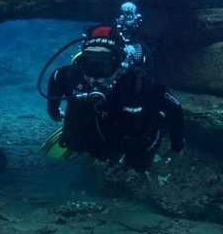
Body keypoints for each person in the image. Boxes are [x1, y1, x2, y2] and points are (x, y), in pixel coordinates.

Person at [43, 23, 184, 173]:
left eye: (105, 64)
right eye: (87, 63)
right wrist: (54, 111)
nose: (95, 74)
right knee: (75, 141)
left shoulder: (140, 85)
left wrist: (177, 146)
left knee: (139, 165)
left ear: (119, 64)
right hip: (97, 126)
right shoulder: (73, 75)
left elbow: (174, 106)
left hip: (128, 135)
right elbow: (56, 79)